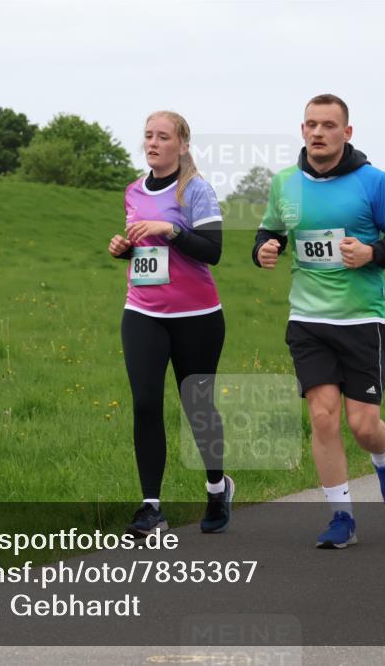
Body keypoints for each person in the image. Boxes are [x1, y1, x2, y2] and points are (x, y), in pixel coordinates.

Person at [252, 94, 385, 548]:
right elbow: (270, 230)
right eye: (310, 124)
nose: (318, 132)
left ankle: (384, 459)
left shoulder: (372, 181)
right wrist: (265, 248)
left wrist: (370, 253)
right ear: (302, 131)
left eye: (328, 125)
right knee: (322, 418)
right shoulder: (284, 182)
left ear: (347, 132)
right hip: (307, 319)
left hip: (363, 320)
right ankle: (341, 516)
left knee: (363, 425)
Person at [108, 110, 234, 536]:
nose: (153, 143)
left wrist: (171, 230)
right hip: (143, 311)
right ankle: (151, 508)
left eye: (163, 137)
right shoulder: (132, 191)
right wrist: (123, 248)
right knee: (145, 403)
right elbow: (143, 252)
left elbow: (212, 251)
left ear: (182, 145)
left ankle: (217, 487)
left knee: (197, 407)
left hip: (196, 316)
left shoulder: (196, 190)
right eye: (148, 136)